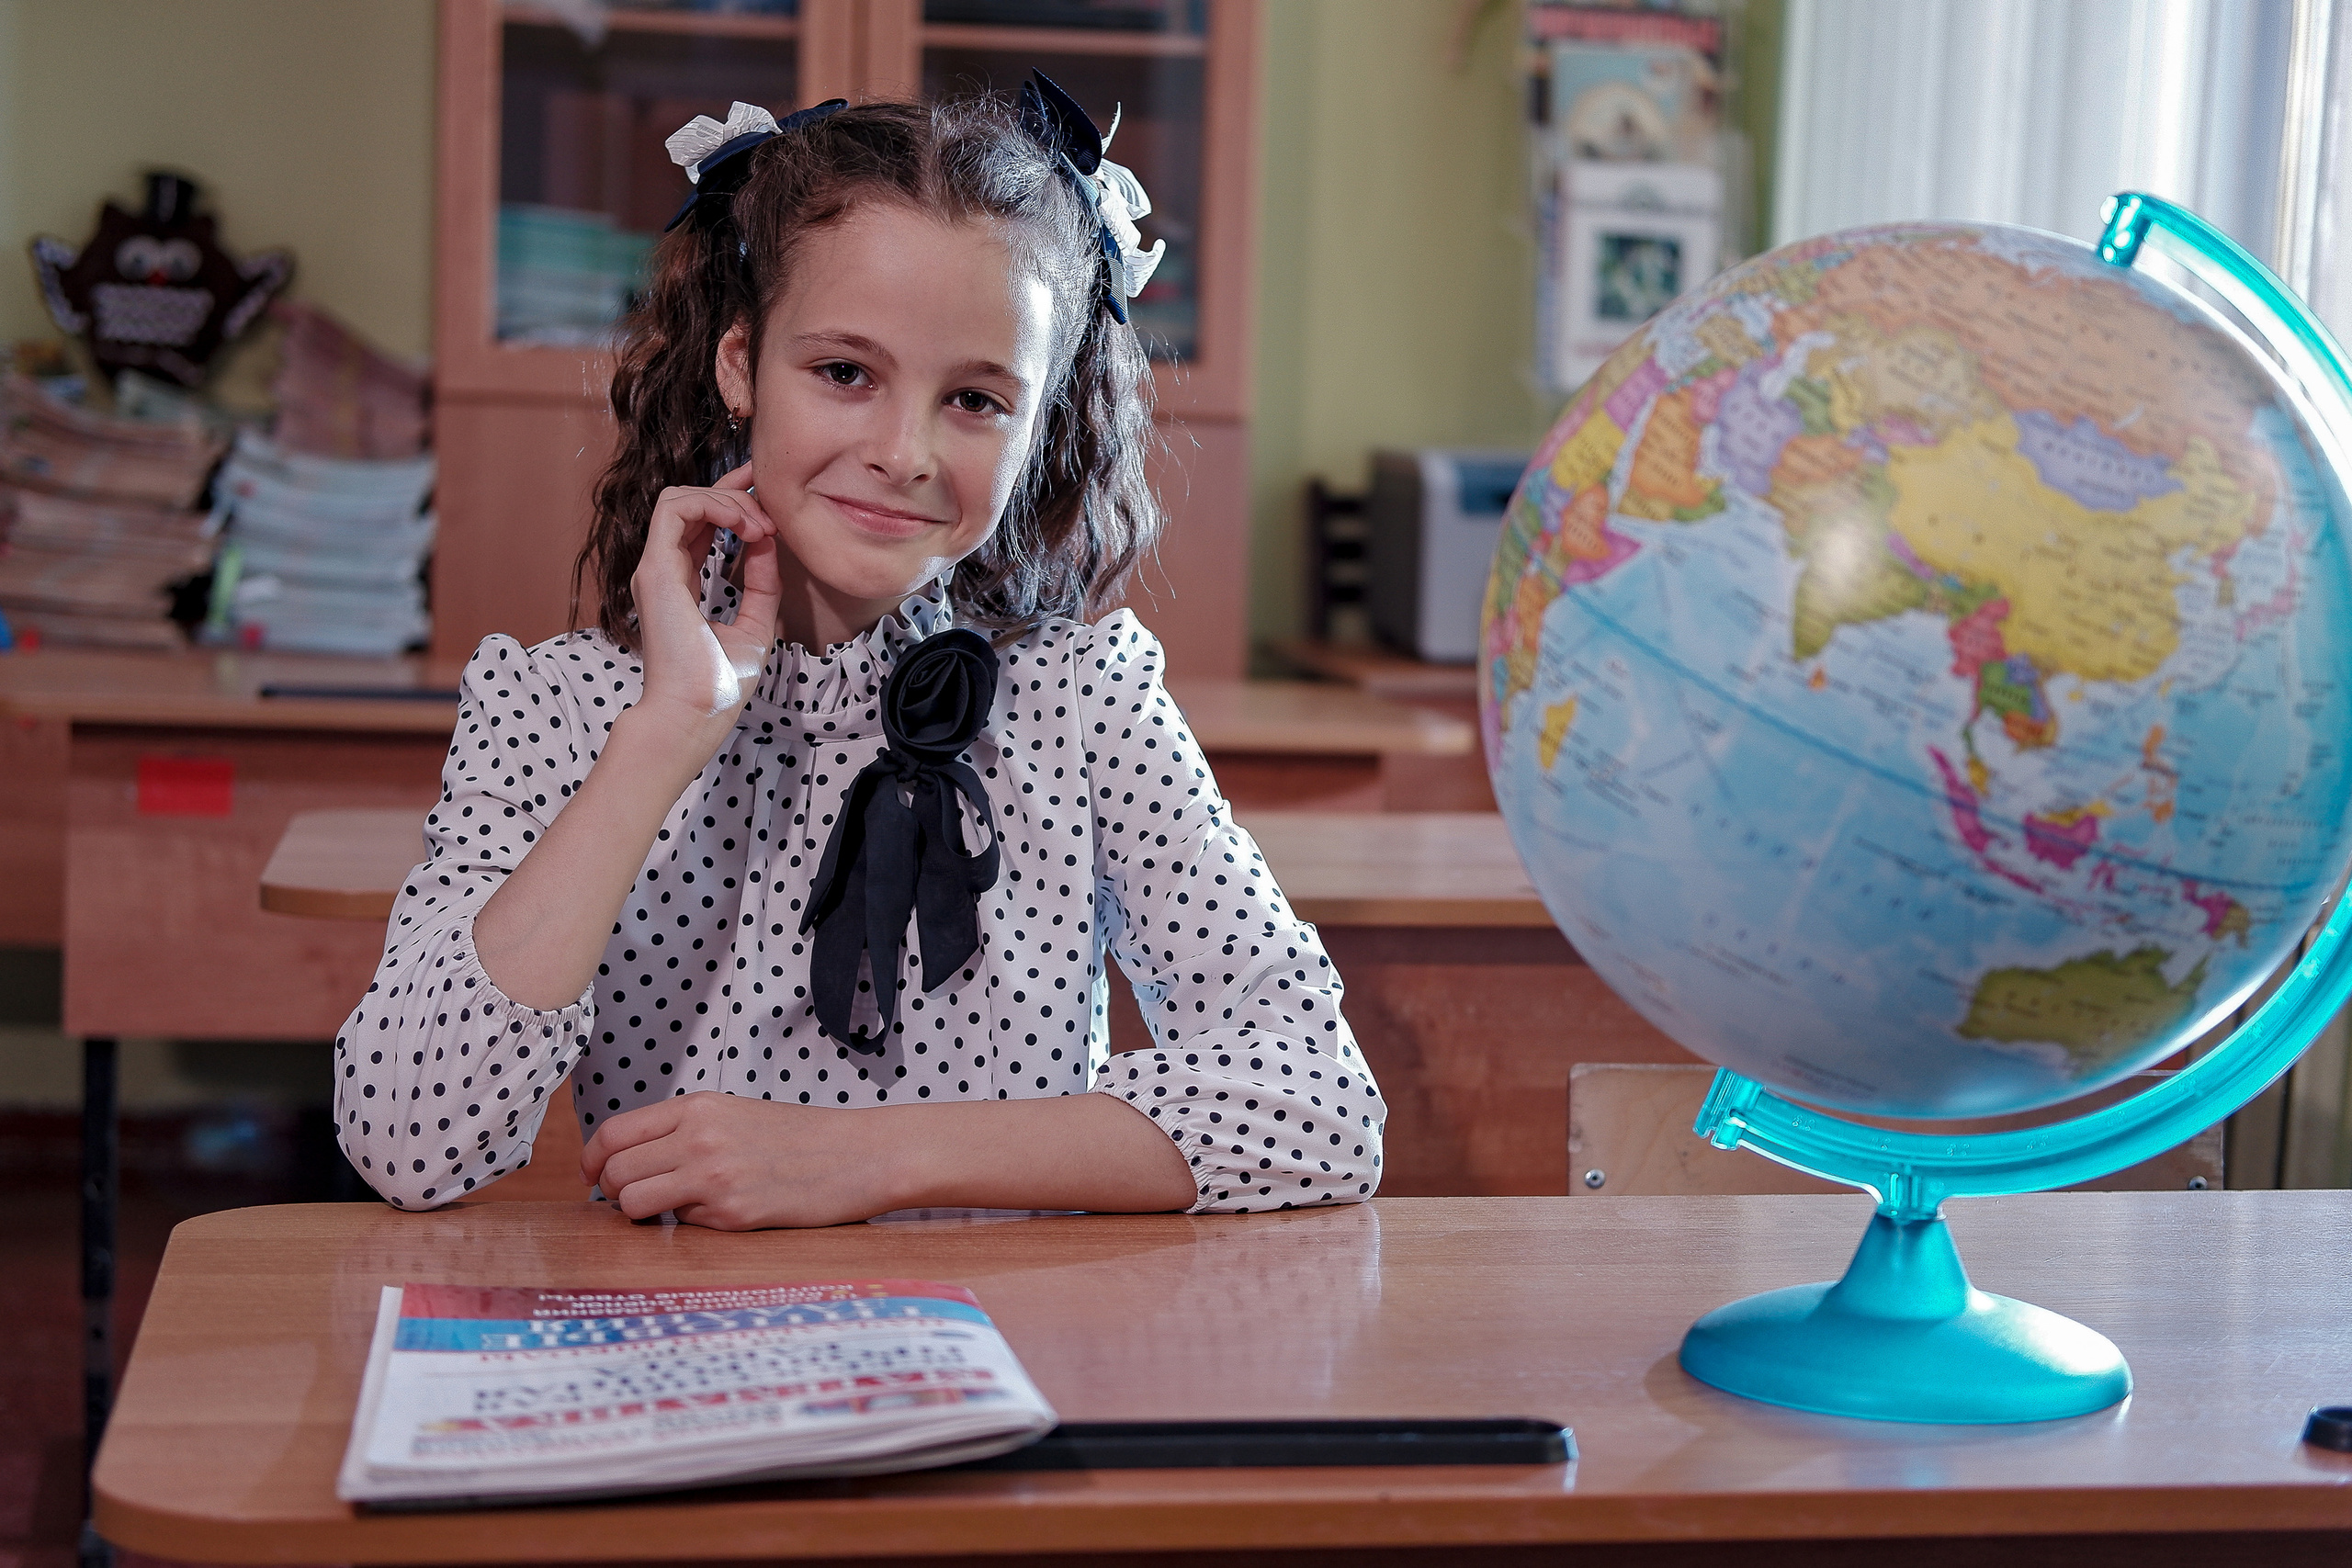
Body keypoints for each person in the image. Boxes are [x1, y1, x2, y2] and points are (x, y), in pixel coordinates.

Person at [334, 83, 1384, 1228]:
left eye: (977, 399)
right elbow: (406, 1138)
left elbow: (1319, 1104)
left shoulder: (1085, 700)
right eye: (844, 373)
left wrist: (862, 1160)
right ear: (741, 367)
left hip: (1009, 1358)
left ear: (1040, 428)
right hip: (691, 1361)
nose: (904, 452)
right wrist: (667, 733)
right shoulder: (557, 707)